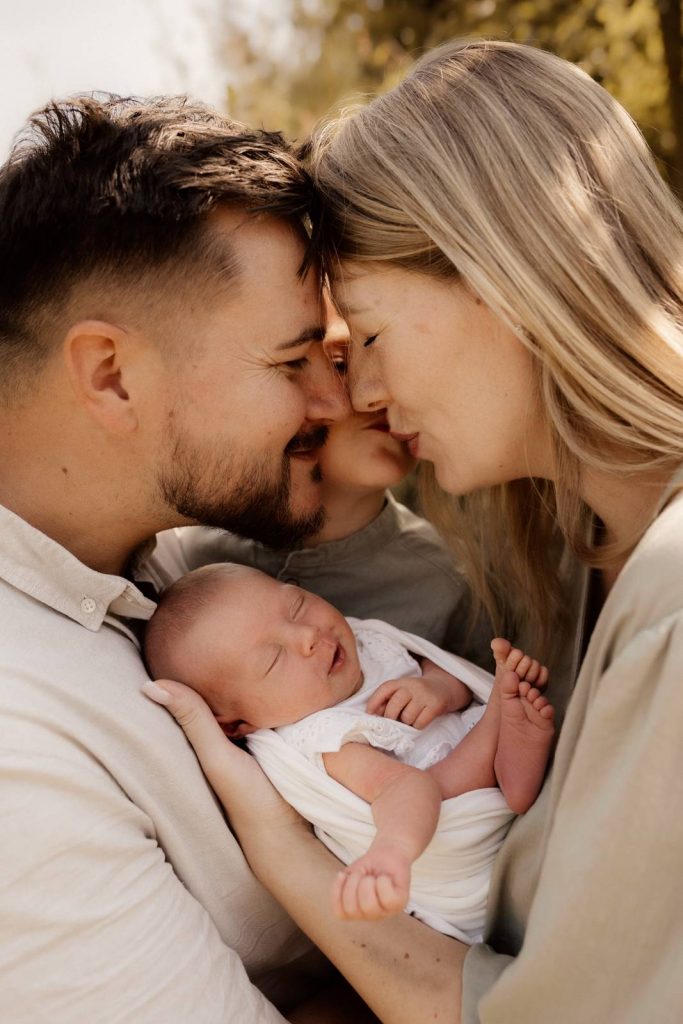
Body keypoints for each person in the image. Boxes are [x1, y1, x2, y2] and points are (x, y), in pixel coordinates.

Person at [146, 39, 683, 1024]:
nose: (367, 396)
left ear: (503, 273)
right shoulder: (573, 569)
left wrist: (283, 849)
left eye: (370, 337)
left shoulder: (668, 603)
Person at [0, 94, 360, 1023]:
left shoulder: (179, 563)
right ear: (112, 376)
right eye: (291, 365)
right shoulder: (17, 742)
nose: (336, 402)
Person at [144, 563, 553, 938]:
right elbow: (403, 788)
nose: (306, 637)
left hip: (466, 742)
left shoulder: (364, 641)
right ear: (238, 724)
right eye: (273, 660)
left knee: (479, 739)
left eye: (297, 606)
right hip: (434, 812)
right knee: (434, 786)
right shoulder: (320, 737)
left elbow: (437, 668)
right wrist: (391, 853)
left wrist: (439, 688)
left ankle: (511, 752)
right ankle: (504, 726)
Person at [171, 308, 490, 658]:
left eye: (399, 369)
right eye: (342, 365)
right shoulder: (192, 548)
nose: (382, 397)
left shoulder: (450, 580)